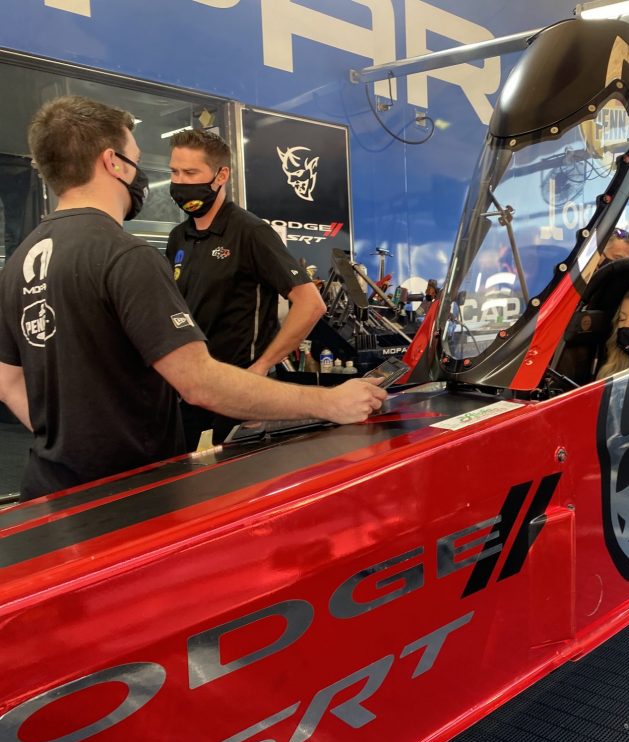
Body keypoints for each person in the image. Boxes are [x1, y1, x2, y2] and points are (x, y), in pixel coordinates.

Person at [0, 96, 386, 502]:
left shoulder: (20, 259)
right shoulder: (127, 255)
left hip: (48, 492)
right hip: (126, 498)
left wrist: (70, 441)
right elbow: (199, 382)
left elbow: (7, 383)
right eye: (136, 158)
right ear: (113, 162)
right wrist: (330, 402)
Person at [166, 129, 327, 448]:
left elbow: (311, 304)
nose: (180, 181)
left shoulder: (251, 232)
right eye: (174, 172)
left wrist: (262, 367)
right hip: (191, 394)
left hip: (241, 397)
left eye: (191, 172)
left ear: (220, 175)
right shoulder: (178, 237)